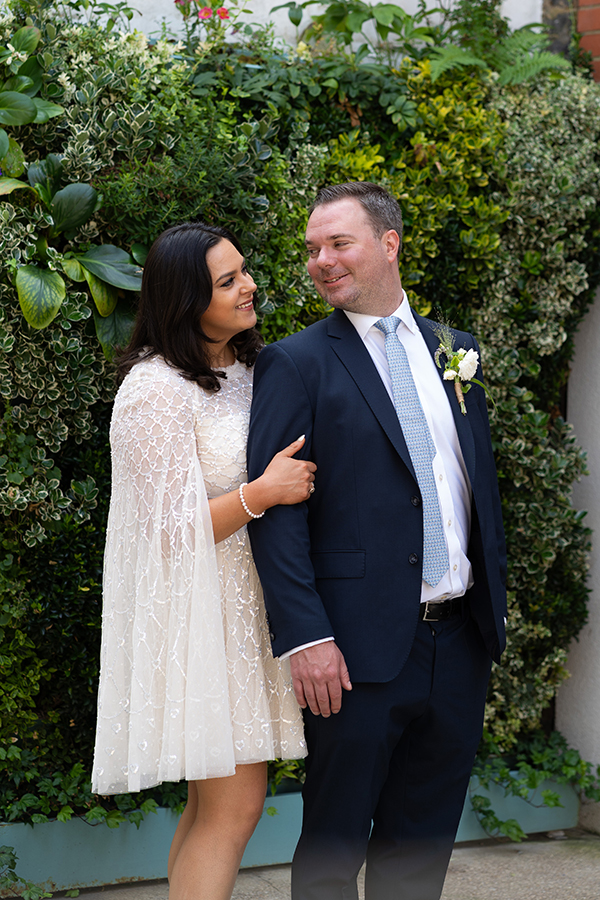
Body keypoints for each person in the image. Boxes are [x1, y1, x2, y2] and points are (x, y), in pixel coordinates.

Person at [247, 182, 507, 900]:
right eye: (312, 249)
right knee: (332, 846)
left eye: (339, 243)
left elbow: (473, 488)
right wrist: (307, 638)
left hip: (459, 643)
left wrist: (493, 615)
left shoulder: (458, 352)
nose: (321, 261)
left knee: (420, 850)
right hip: (353, 651)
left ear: (389, 244)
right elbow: (277, 514)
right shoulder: (295, 363)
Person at [91, 222, 316, 900]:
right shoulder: (153, 390)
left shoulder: (251, 369)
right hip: (201, 621)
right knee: (234, 807)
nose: (250, 285)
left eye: (243, 271)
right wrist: (260, 495)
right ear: (187, 299)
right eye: (228, 281)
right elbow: (162, 530)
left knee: (214, 808)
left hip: (250, 614)